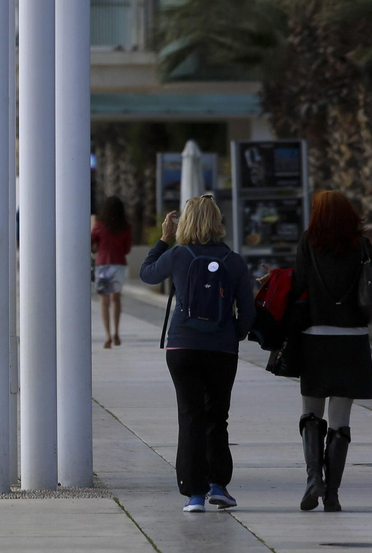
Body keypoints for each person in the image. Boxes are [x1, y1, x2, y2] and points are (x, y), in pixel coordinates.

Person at [139, 194, 255, 513]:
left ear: (185, 223)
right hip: (221, 348)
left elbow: (146, 274)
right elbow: (247, 311)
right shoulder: (234, 260)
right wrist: (234, 334)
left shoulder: (178, 255)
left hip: (182, 347)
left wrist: (162, 240)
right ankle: (218, 485)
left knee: (190, 417)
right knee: (217, 416)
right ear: (218, 221)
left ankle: (193, 495)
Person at [289, 190, 372, 512]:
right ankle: (332, 494)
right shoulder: (360, 244)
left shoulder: (309, 240)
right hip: (352, 339)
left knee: (310, 414)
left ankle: (313, 479)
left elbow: (297, 287)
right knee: (340, 420)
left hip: (316, 337)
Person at [92, 196, 132, 349]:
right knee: (116, 299)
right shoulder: (125, 227)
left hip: (102, 264)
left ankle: (107, 334)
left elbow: (90, 241)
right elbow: (127, 248)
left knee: (104, 301)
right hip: (119, 264)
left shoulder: (100, 226)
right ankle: (116, 332)